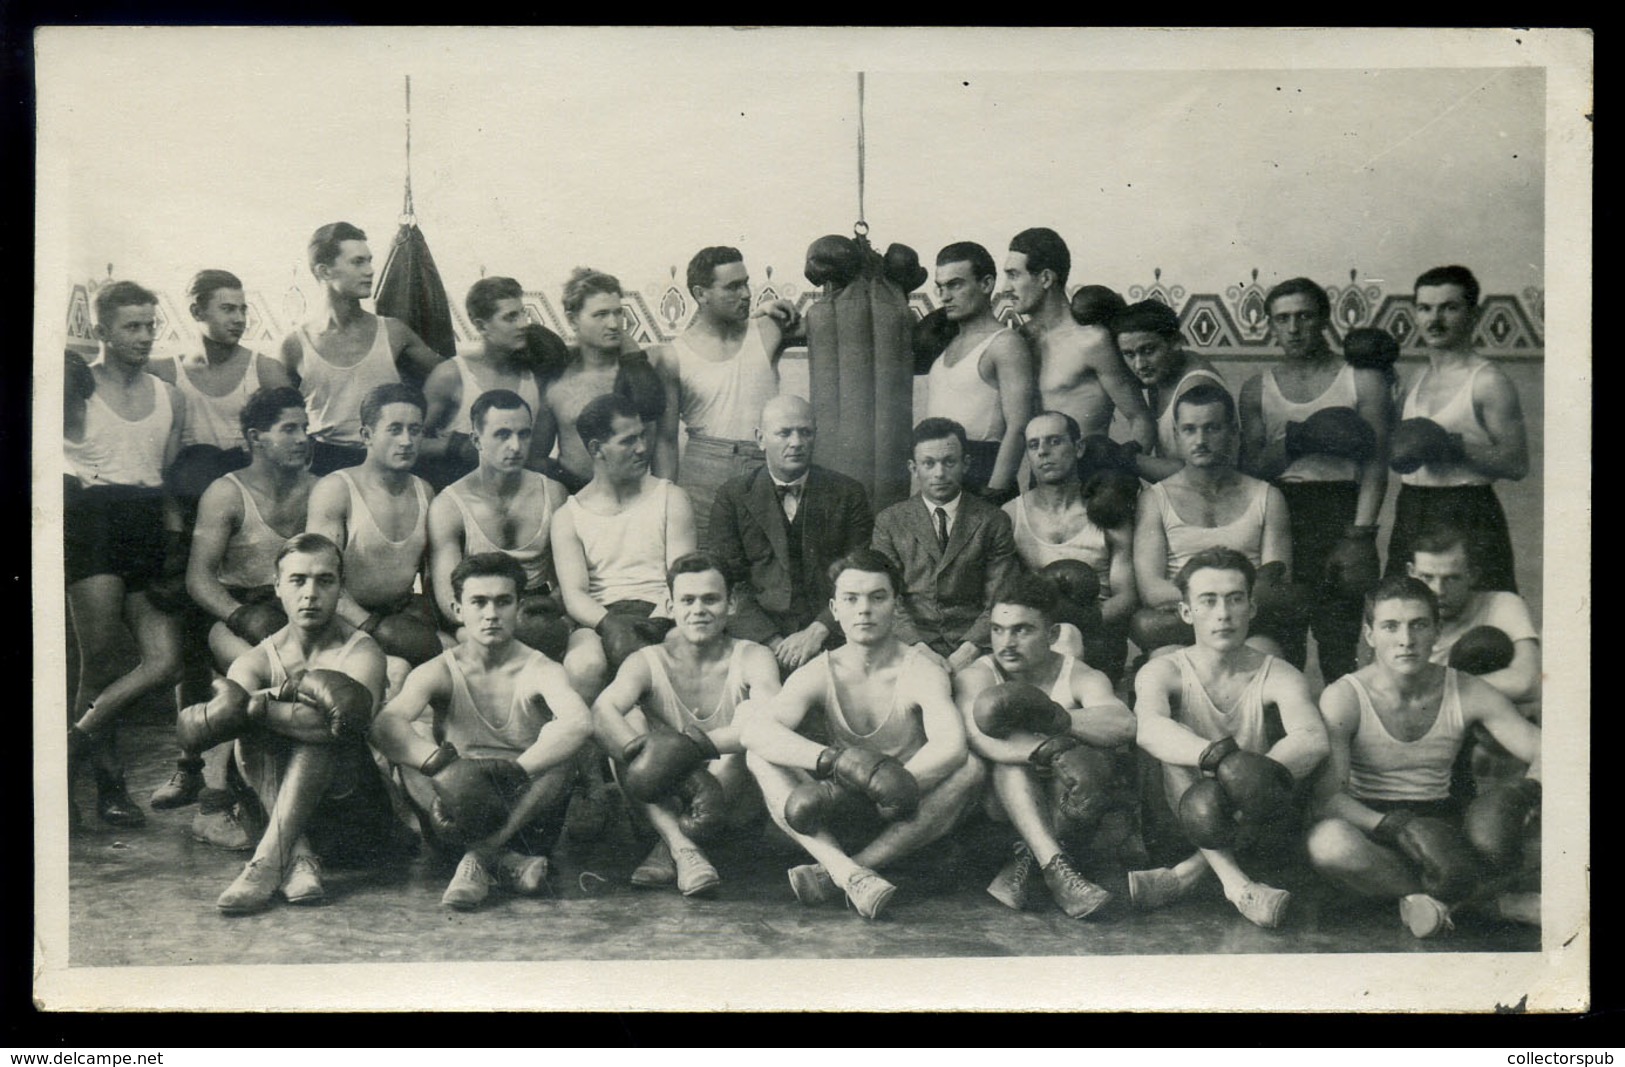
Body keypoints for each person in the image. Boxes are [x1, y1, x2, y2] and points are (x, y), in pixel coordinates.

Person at [738, 550, 987, 920]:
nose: (864, 610)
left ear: (895, 606)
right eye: (851, 599)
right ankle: (849, 873)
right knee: (758, 755)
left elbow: (951, 746)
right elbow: (756, 730)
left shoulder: (921, 669)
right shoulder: (820, 670)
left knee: (972, 768)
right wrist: (832, 762)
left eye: (877, 597)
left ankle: (844, 871)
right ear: (834, 609)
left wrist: (885, 783)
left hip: (906, 809)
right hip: (838, 806)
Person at [1306, 576, 1542, 937]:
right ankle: (1483, 904)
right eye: (1390, 626)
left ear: (1437, 631)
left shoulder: (1466, 688)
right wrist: (1392, 825)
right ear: (1369, 635)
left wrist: (1525, 793)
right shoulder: (1345, 696)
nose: (1406, 639)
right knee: (1328, 843)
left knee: (1540, 836)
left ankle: (1427, 903)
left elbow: (1548, 750)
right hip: (1374, 826)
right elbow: (1327, 800)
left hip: (1446, 823)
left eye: (1418, 625)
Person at [371, 552, 596, 910]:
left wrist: (513, 772)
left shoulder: (540, 668)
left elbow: (579, 722)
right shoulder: (440, 669)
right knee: (408, 736)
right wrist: (439, 765)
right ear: (458, 609)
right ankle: (505, 865)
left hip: (524, 815)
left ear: (518, 607)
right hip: (454, 814)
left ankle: (481, 857)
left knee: (564, 753)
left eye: (503, 602)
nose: (491, 614)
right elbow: (385, 725)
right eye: (479, 602)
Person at [198, 533, 402, 914]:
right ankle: (298, 858)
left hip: (351, 816)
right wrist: (255, 709)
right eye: (298, 580)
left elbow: (341, 727)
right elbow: (230, 715)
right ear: (277, 586)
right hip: (271, 808)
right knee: (254, 725)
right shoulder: (256, 660)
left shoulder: (362, 651)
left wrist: (260, 705)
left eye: (325, 580)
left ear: (341, 588)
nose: (311, 593)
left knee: (323, 728)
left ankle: (266, 865)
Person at [1127, 548, 1330, 928]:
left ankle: (1185, 876)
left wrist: (1247, 778)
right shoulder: (1162, 670)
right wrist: (1219, 760)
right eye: (1209, 601)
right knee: (1171, 747)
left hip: (1252, 822)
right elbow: (1148, 727)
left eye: (1235, 599)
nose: (1224, 613)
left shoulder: (1279, 673)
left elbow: (1313, 738)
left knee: (1291, 755)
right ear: (1187, 612)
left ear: (1252, 608)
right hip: (1176, 825)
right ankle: (1238, 887)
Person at [154, 386, 317, 845]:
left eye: (305, 428)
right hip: (232, 615)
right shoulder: (226, 493)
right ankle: (213, 807)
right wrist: (243, 617)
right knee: (244, 680)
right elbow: (198, 580)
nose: (302, 438)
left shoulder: (320, 489)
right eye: (289, 429)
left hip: (293, 615)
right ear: (255, 437)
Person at [65, 281, 186, 830]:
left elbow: (164, 478)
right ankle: (107, 789)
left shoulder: (168, 393)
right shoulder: (74, 387)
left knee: (163, 663)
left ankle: (69, 747)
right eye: (131, 326)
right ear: (101, 331)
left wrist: (172, 536)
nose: (143, 336)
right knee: (101, 663)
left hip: (146, 528)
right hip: (92, 523)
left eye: (149, 325)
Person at [550, 393, 698, 836]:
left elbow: (682, 577)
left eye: (643, 437)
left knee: (669, 659)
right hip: (599, 617)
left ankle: (669, 780)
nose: (642, 448)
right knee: (584, 664)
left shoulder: (670, 498)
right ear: (596, 450)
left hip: (661, 613)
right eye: (628, 440)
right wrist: (608, 625)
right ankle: (595, 782)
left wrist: (654, 621)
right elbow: (575, 594)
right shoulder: (569, 515)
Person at [592, 553, 783, 895]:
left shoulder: (754, 656)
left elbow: (771, 722)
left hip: (733, 809)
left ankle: (671, 849)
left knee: (751, 717)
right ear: (670, 605)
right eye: (688, 600)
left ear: (732, 603)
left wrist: (685, 750)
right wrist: (646, 755)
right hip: (664, 802)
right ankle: (685, 850)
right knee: (624, 720)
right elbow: (603, 709)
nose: (699, 610)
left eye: (710, 599)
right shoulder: (647, 661)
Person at [954, 574, 1138, 918]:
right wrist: (1044, 750)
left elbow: (1124, 724)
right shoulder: (978, 675)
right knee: (1010, 761)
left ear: (1052, 635)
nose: (1006, 642)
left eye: (1022, 630)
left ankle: (1031, 858)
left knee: (1087, 764)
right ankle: (1057, 870)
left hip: (1065, 806)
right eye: (997, 630)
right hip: (995, 813)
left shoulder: (1079, 675)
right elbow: (979, 737)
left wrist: (1057, 720)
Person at [1239, 277, 1392, 681]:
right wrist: (1296, 439)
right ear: (1269, 324)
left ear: (1324, 319)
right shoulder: (1257, 389)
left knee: (1338, 644)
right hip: (1280, 516)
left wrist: (1361, 535)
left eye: (1304, 316)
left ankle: (1342, 736)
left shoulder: (1360, 379)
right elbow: (1251, 469)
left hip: (1341, 512)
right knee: (1279, 642)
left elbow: (1377, 465)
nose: (1293, 328)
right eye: (1282, 318)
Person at [1385, 265, 1529, 593]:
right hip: (1411, 509)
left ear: (1473, 314)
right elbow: (1400, 450)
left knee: (1477, 625)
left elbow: (1517, 464)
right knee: (1407, 615)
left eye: (1449, 308)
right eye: (1425, 308)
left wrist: (1451, 444)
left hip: (1469, 511)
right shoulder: (1413, 380)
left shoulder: (1488, 381)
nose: (1435, 320)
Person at [1131, 383, 1299, 662]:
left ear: (1233, 432)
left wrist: (1216, 606)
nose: (1200, 439)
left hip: (1247, 625)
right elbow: (1151, 588)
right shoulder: (1155, 499)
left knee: (1265, 658)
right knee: (1163, 665)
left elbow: (1273, 582)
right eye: (1189, 429)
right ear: (1176, 435)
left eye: (1212, 428)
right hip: (1181, 627)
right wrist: (1219, 604)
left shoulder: (1267, 497)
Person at [708, 394, 874, 674]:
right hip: (757, 639)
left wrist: (819, 631)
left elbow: (859, 576)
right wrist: (773, 642)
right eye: (784, 433)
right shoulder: (732, 497)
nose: (796, 442)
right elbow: (728, 584)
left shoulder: (848, 494)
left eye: (805, 432)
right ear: (761, 438)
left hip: (831, 635)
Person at [656, 245, 801, 546]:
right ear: (700, 294)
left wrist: (772, 310)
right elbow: (666, 439)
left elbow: (829, 324)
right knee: (709, 564)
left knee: (770, 561)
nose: (746, 293)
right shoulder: (674, 356)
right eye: (733, 287)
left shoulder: (768, 330)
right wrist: (664, 502)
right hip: (704, 468)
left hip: (764, 464)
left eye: (746, 282)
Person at [306, 382, 444, 691]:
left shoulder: (425, 491)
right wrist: (372, 627)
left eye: (415, 430)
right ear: (367, 435)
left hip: (398, 618)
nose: (407, 441)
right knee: (396, 672)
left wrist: (422, 610)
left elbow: (430, 574)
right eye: (394, 429)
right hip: (337, 622)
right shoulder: (336, 490)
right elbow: (319, 580)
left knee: (457, 663)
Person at [278, 222, 443, 475]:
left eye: (369, 261)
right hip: (324, 465)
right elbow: (278, 418)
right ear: (324, 271)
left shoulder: (394, 332)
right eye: (358, 262)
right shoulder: (294, 344)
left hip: (386, 462)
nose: (370, 271)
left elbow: (450, 374)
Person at [427, 389, 569, 661]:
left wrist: (543, 613)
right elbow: (448, 599)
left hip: (538, 609)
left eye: (523, 434)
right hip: (480, 612)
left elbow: (567, 578)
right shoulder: (449, 506)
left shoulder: (553, 493)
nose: (515, 446)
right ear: (476, 440)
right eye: (502, 434)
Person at [871, 418, 1020, 672]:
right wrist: (918, 647)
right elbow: (886, 596)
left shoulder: (992, 521)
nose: (939, 473)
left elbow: (1000, 596)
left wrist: (969, 650)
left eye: (949, 462)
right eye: (929, 463)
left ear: (966, 464)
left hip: (976, 646)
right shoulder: (890, 522)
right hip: (909, 646)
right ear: (913, 468)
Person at [1003, 411, 1138, 683]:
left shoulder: (1108, 514)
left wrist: (1079, 620)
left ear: (1078, 448)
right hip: (1035, 635)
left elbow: (1126, 597)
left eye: (1054, 442)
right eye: (1034, 445)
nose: (1043, 452)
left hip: (1097, 637)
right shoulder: (1011, 514)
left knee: (1067, 639)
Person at [1002, 227, 1153, 452]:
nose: (1005, 288)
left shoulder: (1092, 340)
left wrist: (1123, 472)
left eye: (1013, 275)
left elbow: (1140, 418)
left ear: (1045, 278)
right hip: (1041, 481)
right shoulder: (1019, 341)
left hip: (1090, 477)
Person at [536, 267, 678, 491]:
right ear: (573, 320)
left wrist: (662, 500)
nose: (613, 324)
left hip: (637, 495)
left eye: (618, 312)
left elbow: (665, 443)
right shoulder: (557, 381)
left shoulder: (648, 369)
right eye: (600, 314)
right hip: (577, 497)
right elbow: (536, 458)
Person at [921, 241, 1035, 501]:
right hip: (939, 475)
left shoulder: (1005, 343)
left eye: (955, 284)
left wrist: (993, 493)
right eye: (941, 287)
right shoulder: (946, 341)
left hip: (984, 475)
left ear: (986, 284)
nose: (945, 296)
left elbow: (1018, 426)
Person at [151, 269, 294, 461]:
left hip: (250, 485)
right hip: (189, 486)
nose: (239, 319)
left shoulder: (266, 370)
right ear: (197, 312)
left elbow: (290, 440)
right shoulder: (165, 372)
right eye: (227, 309)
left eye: (242, 309)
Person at [418, 277, 545, 489]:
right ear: (481, 326)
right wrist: (455, 446)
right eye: (510, 317)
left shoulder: (534, 374)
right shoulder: (451, 375)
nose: (523, 324)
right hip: (461, 493)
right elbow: (411, 441)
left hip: (518, 495)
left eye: (523, 313)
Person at [1110, 299, 1226, 483]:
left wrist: (1123, 457)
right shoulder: (1165, 372)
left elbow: (1202, 475)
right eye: (1130, 354)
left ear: (1176, 342)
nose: (1139, 365)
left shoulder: (1196, 386)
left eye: (1148, 350)